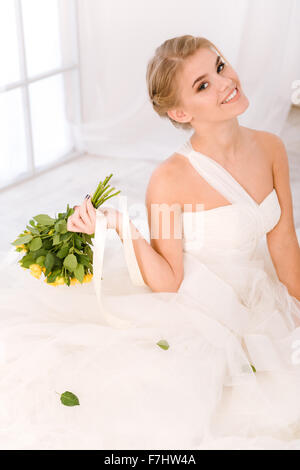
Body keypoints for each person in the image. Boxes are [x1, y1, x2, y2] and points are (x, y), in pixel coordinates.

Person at [1, 35, 300, 450]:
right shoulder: (168, 179)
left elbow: (283, 241)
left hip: (260, 298)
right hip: (202, 308)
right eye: (202, 85)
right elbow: (171, 281)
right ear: (180, 111)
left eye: (219, 66)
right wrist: (122, 226)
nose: (224, 81)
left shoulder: (271, 147)